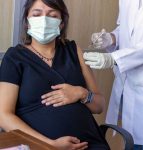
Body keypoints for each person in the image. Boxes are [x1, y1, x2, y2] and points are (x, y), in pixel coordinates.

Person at [0, 0, 110, 150]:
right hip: (39, 146)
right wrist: (49, 144)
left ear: (61, 23)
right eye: (37, 14)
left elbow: (99, 106)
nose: (44, 20)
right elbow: (3, 115)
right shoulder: (15, 57)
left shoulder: (73, 50)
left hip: (90, 144)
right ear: (27, 22)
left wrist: (81, 93)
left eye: (52, 15)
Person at [83, 0, 143, 149]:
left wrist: (114, 58)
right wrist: (111, 38)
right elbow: (126, 29)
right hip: (131, 86)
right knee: (132, 140)